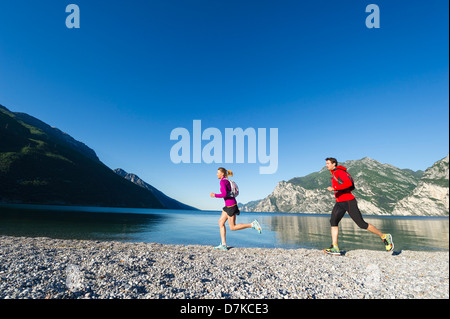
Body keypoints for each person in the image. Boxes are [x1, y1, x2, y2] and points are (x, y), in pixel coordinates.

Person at [323, 157, 394, 255]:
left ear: (334, 164)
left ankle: (384, 236)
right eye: (326, 163)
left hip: (348, 201)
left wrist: (334, 188)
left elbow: (349, 183)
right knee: (333, 221)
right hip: (339, 202)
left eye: (328, 163)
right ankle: (335, 247)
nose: (326, 165)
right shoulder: (334, 173)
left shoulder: (339, 172)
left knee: (361, 224)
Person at [210, 167, 262, 251]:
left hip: (231, 206)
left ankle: (253, 224)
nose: (216, 174)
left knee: (232, 227)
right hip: (228, 205)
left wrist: (214, 195)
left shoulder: (223, 181)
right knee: (221, 222)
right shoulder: (226, 181)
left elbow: (223, 194)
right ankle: (223, 245)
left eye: (218, 172)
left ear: (222, 174)